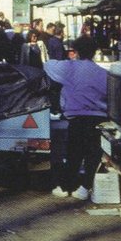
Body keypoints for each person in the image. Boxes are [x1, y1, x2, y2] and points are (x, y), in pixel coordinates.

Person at [43, 34, 108, 201]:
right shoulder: (103, 74)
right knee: (93, 154)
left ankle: (66, 187)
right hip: (98, 119)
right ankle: (85, 188)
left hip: (76, 118)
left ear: (76, 51)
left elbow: (48, 65)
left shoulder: (69, 68)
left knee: (73, 153)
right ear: (95, 52)